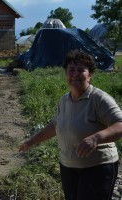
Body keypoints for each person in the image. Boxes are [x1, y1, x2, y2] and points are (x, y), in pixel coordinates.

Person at [19, 49, 122, 200]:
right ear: (66, 73)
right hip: (68, 166)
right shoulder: (64, 100)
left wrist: (95, 138)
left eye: (81, 70)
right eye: (71, 70)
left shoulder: (99, 99)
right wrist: (31, 141)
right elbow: (55, 125)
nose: (75, 74)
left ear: (90, 75)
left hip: (98, 168)